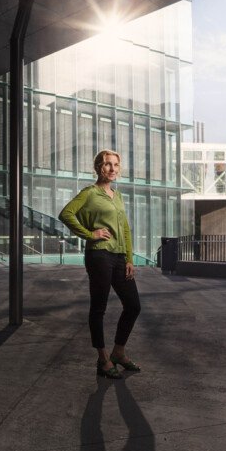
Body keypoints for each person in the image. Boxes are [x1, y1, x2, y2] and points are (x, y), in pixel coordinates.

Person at [59, 149, 142, 379]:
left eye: (116, 164)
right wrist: (90, 234)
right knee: (99, 308)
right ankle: (103, 359)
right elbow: (66, 214)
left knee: (133, 305)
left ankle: (119, 352)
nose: (112, 168)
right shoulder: (89, 193)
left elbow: (124, 228)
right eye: (107, 164)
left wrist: (129, 258)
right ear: (98, 167)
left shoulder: (118, 195)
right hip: (99, 256)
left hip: (118, 257)